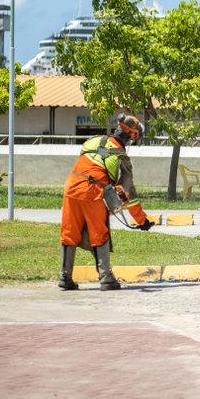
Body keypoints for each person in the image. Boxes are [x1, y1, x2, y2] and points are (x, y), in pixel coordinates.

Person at [58, 114, 153, 291]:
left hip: (71, 188)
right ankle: (106, 279)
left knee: (69, 232)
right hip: (93, 193)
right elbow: (129, 192)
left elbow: (88, 166)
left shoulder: (91, 141)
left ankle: (65, 277)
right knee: (99, 233)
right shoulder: (121, 157)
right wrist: (142, 220)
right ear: (131, 136)